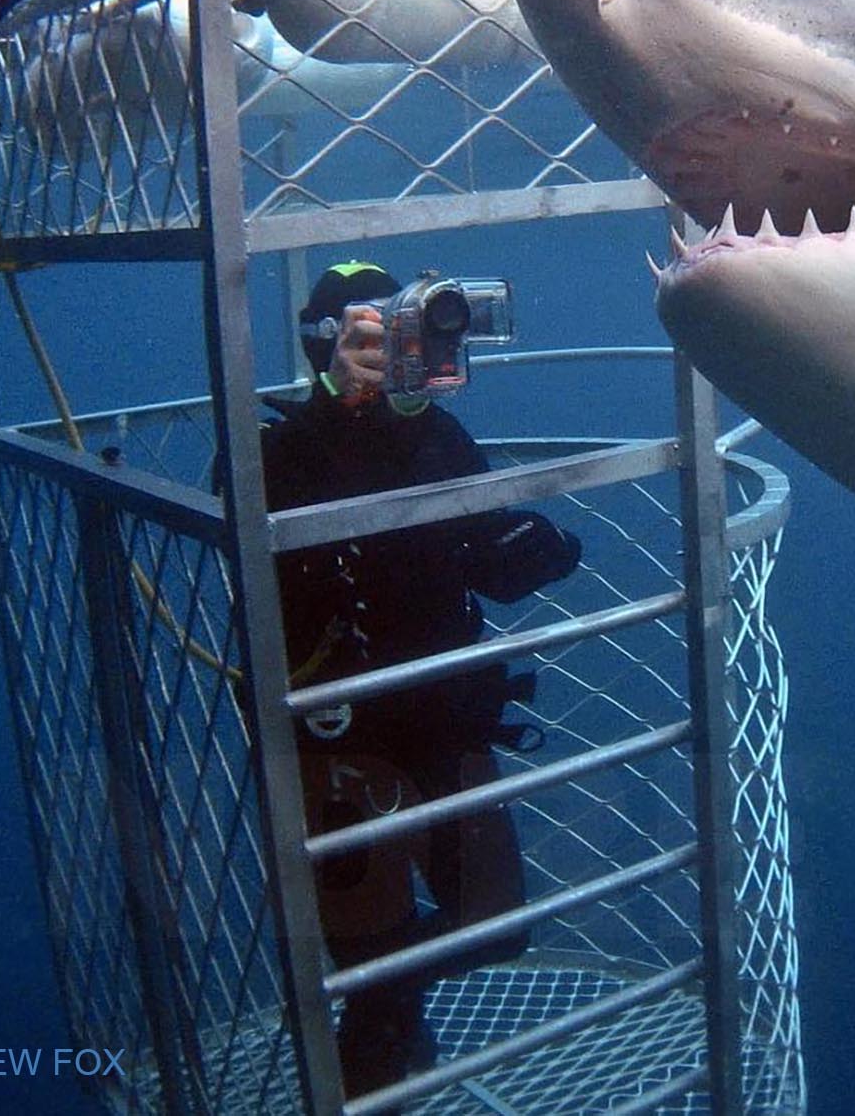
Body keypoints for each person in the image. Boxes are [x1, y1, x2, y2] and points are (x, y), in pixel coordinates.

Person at [260, 261, 582, 1100]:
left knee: (499, 926)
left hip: (445, 721)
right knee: (369, 970)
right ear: (320, 344)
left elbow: (478, 552)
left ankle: (389, 1002)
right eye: (366, 337)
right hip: (345, 738)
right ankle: (379, 1023)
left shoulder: (440, 437)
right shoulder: (278, 450)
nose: (387, 354)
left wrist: (533, 551)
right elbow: (259, 558)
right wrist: (345, 405)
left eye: (395, 335)